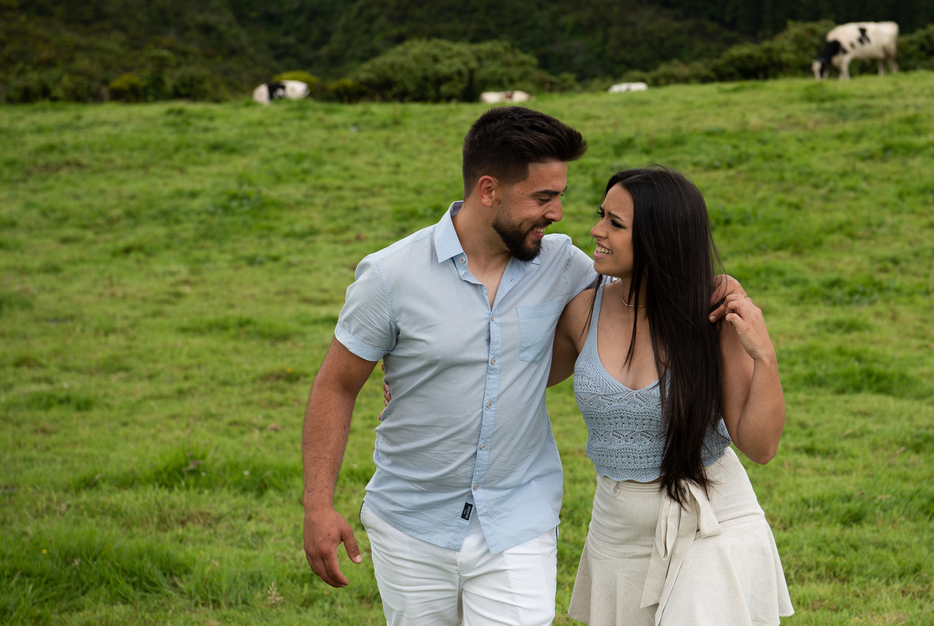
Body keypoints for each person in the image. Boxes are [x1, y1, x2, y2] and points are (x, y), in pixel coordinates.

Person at [303, 108, 746, 626]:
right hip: (409, 520)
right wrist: (318, 505)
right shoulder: (389, 276)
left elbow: (643, 293)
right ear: (488, 190)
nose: (558, 212)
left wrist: (716, 292)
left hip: (518, 519)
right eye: (543, 197)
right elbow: (335, 386)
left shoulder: (566, 266)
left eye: (559, 194)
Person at [548, 167, 793, 626]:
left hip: (711, 522)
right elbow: (516, 378)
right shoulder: (583, 310)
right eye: (601, 215)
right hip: (617, 532)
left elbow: (760, 446)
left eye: (615, 224)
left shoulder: (711, 307)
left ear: (659, 241)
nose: (596, 231)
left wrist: (765, 356)